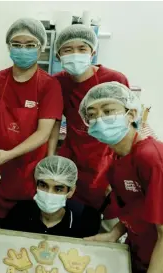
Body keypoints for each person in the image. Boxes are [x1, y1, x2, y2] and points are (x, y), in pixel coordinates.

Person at [80, 82, 163, 273]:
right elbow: (135, 209)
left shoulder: (153, 160)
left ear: (131, 114)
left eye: (108, 111)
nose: (99, 119)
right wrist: (114, 234)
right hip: (139, 251)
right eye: (92, 115)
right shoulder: (118, 156)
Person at [0, 18, 63, 229]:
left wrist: (10, 154)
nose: (23, 50)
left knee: (23, 227)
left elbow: (43, 133)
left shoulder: (49, 85)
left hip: (28, 171)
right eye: (17, 44)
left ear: (41, 48)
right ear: (9, 47)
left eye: (30, 45)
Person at [52, 24, 130, 228]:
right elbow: (53, 123)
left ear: (93, 52)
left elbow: (128, 127)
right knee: (76, 221)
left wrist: (123, 170)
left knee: (110, 224)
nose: (75, 54)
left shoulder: (114, 80)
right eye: (67, 50)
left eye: (82, 49)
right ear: (58, 55)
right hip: (74, 158)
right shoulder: (58, 82)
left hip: (107, 161)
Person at [3, 155, 100, 238]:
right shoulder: (19, 213)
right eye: (43, 186)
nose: (49, 194)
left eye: (58, 189)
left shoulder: (86, 221)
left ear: (70, 191)